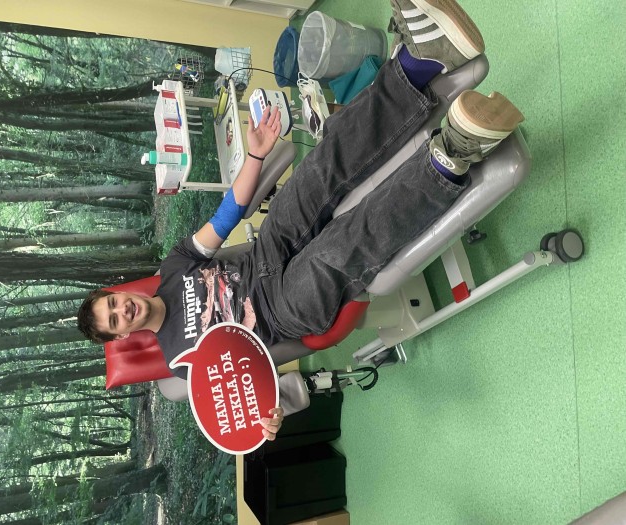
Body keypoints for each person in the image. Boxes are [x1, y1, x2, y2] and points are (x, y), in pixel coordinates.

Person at [77, 0, 524, 440]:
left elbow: (226, 216)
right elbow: (248, 394)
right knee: (342, 246)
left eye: (113, 303)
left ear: (119, 292)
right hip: (281, 311)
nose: (122, 310)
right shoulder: (181, 361)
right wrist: (269, 416)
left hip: (266, 250)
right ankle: (452, 156)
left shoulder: (174, 268)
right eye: (115, 320)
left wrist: (256, 155)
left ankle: (419, 63)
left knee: (318, 169)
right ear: (123, 336)